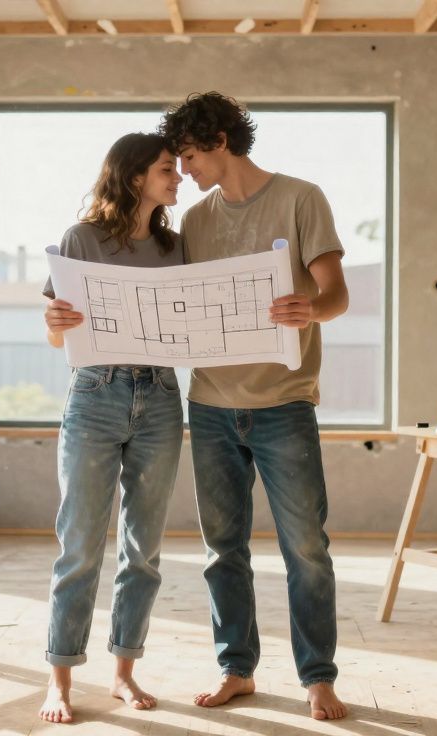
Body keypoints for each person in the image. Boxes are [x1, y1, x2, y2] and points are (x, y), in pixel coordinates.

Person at [158, 92, 350, 721]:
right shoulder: (195, 222)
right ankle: (236, 668)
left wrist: (311, 309)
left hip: (284, 403)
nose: (184, 170)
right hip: (209, 405)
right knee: (223, 549)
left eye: (188, 156)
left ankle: (317, 677)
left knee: (305, 548)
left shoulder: (301, 198)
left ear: (218, 139)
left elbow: (336, 294)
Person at [37, 132, 185, 724]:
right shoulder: (81, 240)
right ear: (133, 178)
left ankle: (124, 672)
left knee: (143, 550)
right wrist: (53, 320)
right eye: (167, 170)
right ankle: (60, 680)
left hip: (162, 395)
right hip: (95, 394)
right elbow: (58, 337)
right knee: (79, 547)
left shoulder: (177, 247)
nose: (178, 180)